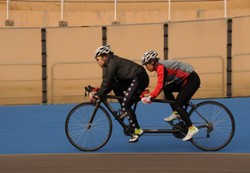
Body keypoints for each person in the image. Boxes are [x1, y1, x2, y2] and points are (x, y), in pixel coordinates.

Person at [92, 45, 149, 142]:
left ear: (104, 56)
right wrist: (100, 91)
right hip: (132, 79)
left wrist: (99, 94)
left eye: (98, 58)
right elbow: (109, 83)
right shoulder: (107, 65)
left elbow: (107, 81)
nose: (97, 61)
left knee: (125, 105)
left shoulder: (112, 62)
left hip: (139, 77)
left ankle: (137, 130)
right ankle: (125, 109)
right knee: (115, 85)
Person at [140, 50, 200, 141]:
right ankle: (176, 112)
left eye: (146, 64)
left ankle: (191, 128)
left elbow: (160, 85)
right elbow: (163, 85)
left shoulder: (160, 67)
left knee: (178, 104)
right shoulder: (159, 66)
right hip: (185, 80)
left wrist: (150, 97)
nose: (146, 67)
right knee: (167, 89)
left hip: (191, 80)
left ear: (152, 61)